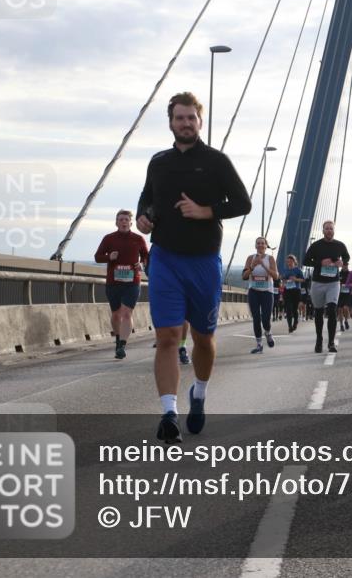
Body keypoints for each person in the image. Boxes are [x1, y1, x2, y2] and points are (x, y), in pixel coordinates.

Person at [137, 91, 252, 444]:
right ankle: (169, 413)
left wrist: (206, 211)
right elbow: (147, 197)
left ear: (200, 122)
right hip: (165, 260)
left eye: (191, 118)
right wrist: (143, 217)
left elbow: (243, 203)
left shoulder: (216, 161)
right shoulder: (158, 162)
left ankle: (198, 393)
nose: (185, 123)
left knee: (203, 339)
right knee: (167, 337)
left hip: (203, 262)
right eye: (179, 118)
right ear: (170, 122)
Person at [94, 210, 149, 360]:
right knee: (116, 314)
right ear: (116, 222)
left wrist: (142, 264)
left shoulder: (138, 239)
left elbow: (146, 256)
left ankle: (122, 345)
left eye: (126, 219)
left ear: (131, 223)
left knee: (126, 313)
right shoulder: (109, 239)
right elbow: (97, 257)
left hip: (132, 282)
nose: (124, 222)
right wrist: (108, 257)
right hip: (113, 282)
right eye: (121, 219)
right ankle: (118, 339)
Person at [303, 221, 350, 354]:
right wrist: (320, 262)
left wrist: (343, 263)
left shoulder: (340, 245)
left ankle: (331, 343)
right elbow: (305, 261)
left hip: (333, 283)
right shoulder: (316, 245)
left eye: (331, 229)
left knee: (331, 309)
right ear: (323, 231)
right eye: (326, 229)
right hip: (318, 282)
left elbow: (346, 257)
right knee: (318, 312)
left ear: (334, 231)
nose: (329, 231)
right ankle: (319, 341)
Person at [242, 236, 279, 354]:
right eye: (258, 243)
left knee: (265, 319)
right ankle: (259, 344)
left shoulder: (270, 258)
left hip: (267, 292)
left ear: (266, 245)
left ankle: (268, 332)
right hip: (254, 291)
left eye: (262, 243)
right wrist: (253, 266)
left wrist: (263, 265)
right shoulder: (250, 258)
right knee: (256, 319)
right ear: (255, 245)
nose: (260, 245)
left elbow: (276, 276)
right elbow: (244, 276)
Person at [281, 255, 304, 332]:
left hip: (296, 291)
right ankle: (290, 326)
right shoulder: (285, 270)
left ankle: (295, 322)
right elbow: (283, 280)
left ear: (294, 261)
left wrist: (295, 279)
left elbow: (303, 280)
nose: (289, 263)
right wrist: (283, 282)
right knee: (288, 309)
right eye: (288, 261)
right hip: (287, 291)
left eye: (290, 261)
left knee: (294, 309)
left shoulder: (298, 270)